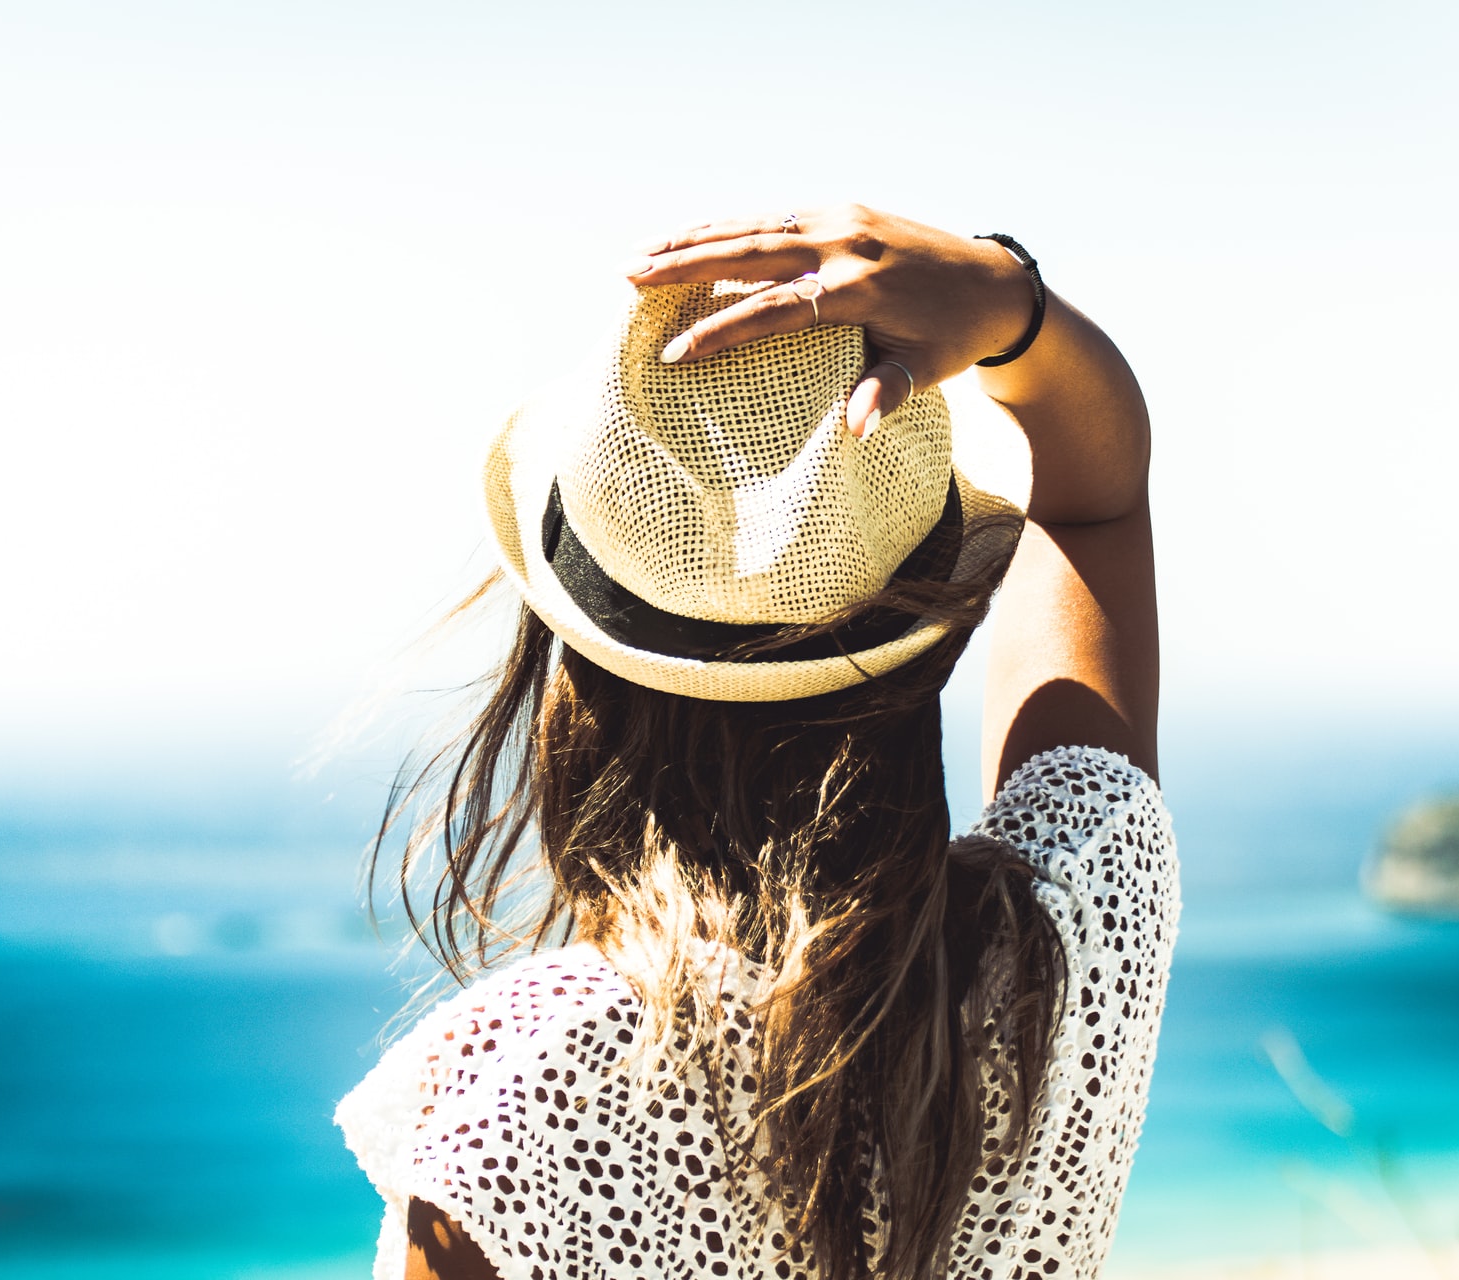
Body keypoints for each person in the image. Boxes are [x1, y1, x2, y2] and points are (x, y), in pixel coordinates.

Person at [336, 204, 1176, 1280]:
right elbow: (1097, 503)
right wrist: (1013, 305)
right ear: (921, 641)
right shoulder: (1064, 949)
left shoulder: (520, 1092)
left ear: (573, 673)